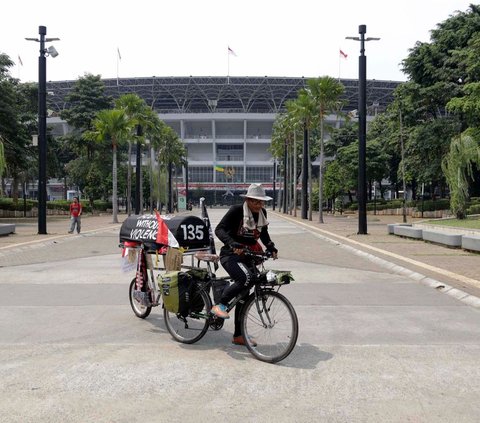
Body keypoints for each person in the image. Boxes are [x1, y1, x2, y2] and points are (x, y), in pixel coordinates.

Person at [213, 183, 278, 346]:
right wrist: (233, 244)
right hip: (230, 255)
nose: (259, 205)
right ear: (248, 200)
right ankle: (221, 304)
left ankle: (238, 335)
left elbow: (263, 234)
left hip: (248, 256)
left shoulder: (261, 213)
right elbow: (219, 230)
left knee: (246, 293)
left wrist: (271, 247)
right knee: (246, 279)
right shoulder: (236, 211)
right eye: (255, 201)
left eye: (261, 202)